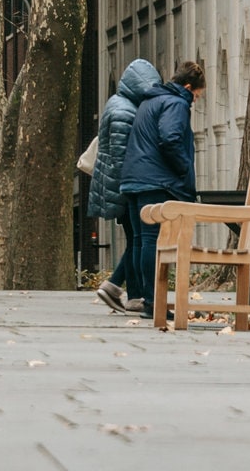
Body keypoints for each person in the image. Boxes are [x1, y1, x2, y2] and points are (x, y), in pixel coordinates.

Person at [116, 60, 205, 315]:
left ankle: (146, 299)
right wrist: (183, 168)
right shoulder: (176, 103)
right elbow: (170, 139)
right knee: (152, 241)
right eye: (196, 96)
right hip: (156, 181)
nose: (195, 101)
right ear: (188, 87)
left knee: (140, 241)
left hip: (134, 178)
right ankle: (155, 303)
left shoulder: (149, 100)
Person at [88, 59, 163, 314]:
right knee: (138, 239)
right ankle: (120, 288)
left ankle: (128, 292)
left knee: (135, 239)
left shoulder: (118, 104)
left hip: (115, 181)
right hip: (123, 183)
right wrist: (129, 189)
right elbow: (122, 155)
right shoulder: (125, 112)